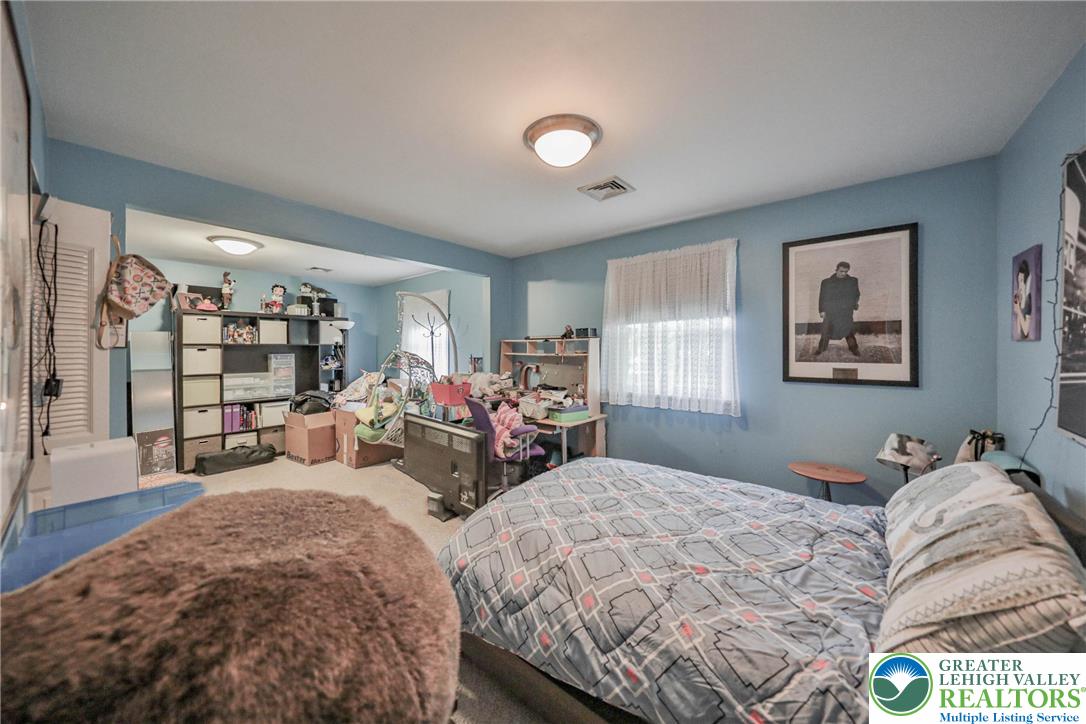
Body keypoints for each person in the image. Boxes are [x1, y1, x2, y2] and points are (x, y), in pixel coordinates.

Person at [817, 261, 861, 356]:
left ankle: (854, 349)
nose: (844, 274)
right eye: (841, 271)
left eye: (846, 271)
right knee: (826, 330)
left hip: (845, 310)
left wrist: (854, 304)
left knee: (848, 330)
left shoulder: (853, 281)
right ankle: (821, 349)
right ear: (836, 270)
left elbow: (856, 294)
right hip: (831, 310)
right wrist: (821, 310)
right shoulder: (826, 282)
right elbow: (822, 297)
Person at [1012, 258, 1032, 340]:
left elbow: (1026, 331)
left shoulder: (1028, 300)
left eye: (1021, 280)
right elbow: (1018, 331)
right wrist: (1017, 309)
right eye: (1018, 280)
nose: (1019, 284)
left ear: (1025, 282)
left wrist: (1018, 311)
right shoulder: (1019, 298)